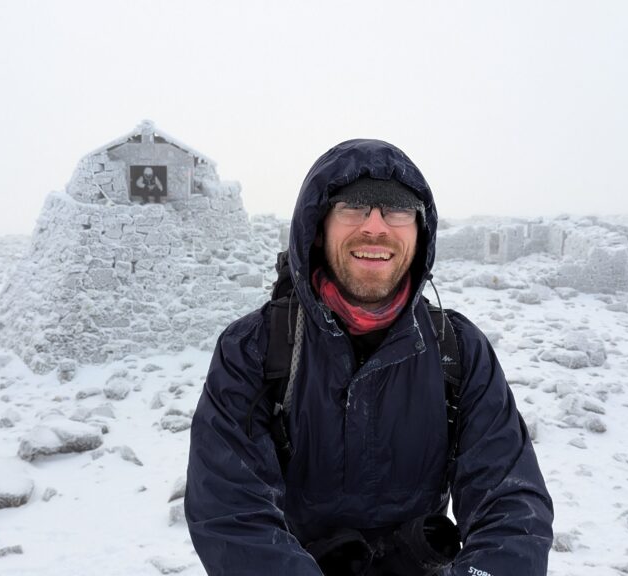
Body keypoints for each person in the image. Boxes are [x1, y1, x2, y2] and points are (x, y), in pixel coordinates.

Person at [186, 139, 553, 575]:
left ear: (420, 234)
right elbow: (231, 513)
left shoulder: (459, 350)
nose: (375, 228)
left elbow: (511, 506)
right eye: (353, 208)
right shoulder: (254, 349)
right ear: (318, 227)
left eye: (397, 210)